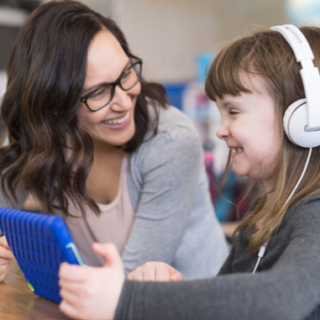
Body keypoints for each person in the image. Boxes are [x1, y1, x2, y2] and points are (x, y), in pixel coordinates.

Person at [58, 25, 320, 320]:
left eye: (233, 111)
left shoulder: (315, 215)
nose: (221, 130)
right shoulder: (260, 220)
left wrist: (130, 299)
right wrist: (162, 289)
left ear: (306, 119)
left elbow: (282, 299)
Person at [0, 0, 228, 283]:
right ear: (53, 104)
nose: (123, 101)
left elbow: (131, 285)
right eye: (98, 92)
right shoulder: (42, 136)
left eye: (126, 74)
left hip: (189, 306)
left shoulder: (170, 141)